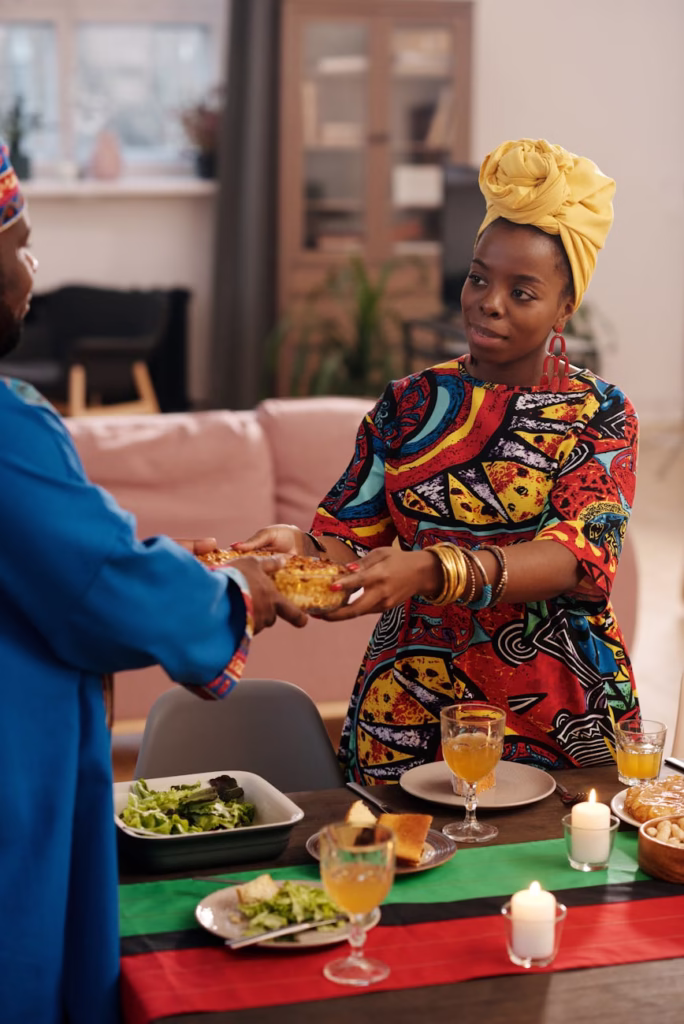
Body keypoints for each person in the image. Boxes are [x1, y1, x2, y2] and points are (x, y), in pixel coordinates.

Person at [0, 141, 308, 1024]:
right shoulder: (8, 431)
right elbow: (103, 583)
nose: (30, 268)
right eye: (19, 242)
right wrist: (241, 590)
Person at [237, 138, 638, 785]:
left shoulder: (599, 414)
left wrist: (432, 568)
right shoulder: (408, 405)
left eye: (522, 291)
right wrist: (299, 552)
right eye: (479, 277)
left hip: (559, 715)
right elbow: (348, 544)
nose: (489, 301)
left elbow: (576, 557)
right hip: (411, 711)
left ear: (566, 306)